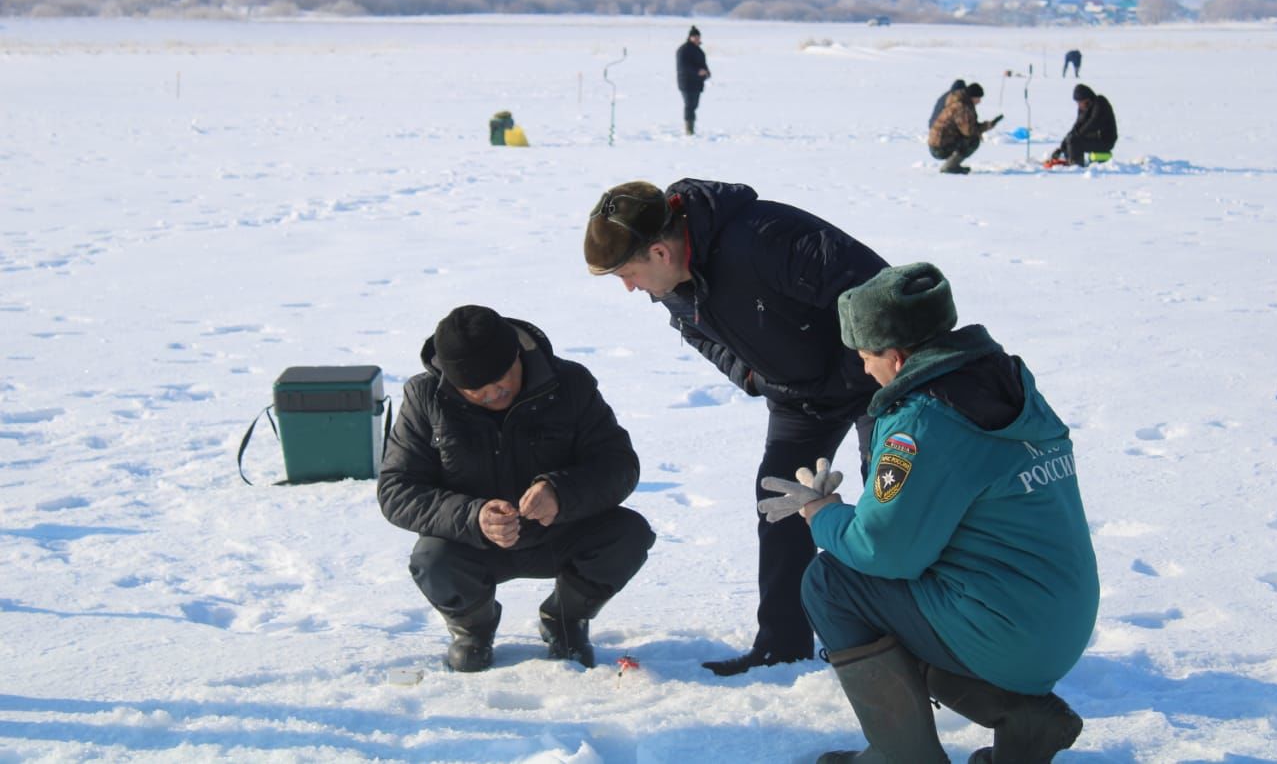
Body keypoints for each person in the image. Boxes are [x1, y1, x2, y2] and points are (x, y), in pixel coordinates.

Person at [762, 262, 1097, 763]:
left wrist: (822, 513)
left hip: (1007, 634)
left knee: (832, 582)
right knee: (912, 599)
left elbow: (883, 549)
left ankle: (905, 757)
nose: (864, 369)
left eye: (865, 356)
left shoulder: (923, 420)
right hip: (1059, 621)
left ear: (896, 358)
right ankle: (1025, 716)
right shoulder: (1006, 382)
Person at [583, 179, 889, 676]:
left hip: (875, 378)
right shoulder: (669, 277)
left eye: (628, 274)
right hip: (798, 396)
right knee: (780, 504)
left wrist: (852, 372)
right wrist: (751, 374)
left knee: (891, 504)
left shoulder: (766, 238)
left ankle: (900, 642)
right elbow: (697, 331)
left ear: (659, 251)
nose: (630, 287)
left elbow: (877, 294)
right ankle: (782, 647)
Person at [377, 305, 655, 672]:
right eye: (476, 390)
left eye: (501, 380)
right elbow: (397, 490)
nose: (492, 394)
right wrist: (473, 516)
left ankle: (566, 618)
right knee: (432, 560)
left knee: (629, 535)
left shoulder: (569, 383)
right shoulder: (425, 397)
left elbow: (619, 464)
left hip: (560, 533)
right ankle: (473, 628)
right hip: (474, 544)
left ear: (517, 356)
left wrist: (561, 493)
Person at [927, 83, 1002, 174]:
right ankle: (950, 166)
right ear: (972, 97)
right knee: (973, 141)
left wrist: (984, 126)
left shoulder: (956, 101)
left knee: (969, 139)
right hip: (940, 147)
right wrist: (986, 126)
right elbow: (969, 131)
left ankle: (952, 164)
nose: (979, 101)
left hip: (936, 143)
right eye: (978, 98)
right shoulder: (962, 107)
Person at [1051, 83, 1117, 166]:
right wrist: (1062, 147)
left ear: (1087, 99)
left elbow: (1093, 123)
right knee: (1071, 139)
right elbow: (1076, 126)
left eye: (1080, 102)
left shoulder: (1100, 103)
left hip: (1106, 141)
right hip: (1095, 137)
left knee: (1074, 140)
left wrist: (1076, 135)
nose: (1079, 104)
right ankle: (1069, 160)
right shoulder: (1085, 109)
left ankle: (1075, 166)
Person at [676, 25, 711, 135]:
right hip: (686, 82)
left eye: (698, 37)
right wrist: (697, 71)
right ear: (690, 37)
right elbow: (684, 66)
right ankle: (689, 129)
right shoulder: (684, 50)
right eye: (694, 37)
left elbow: (703, 64)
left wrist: (706, 73)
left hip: (697, 83)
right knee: (689, 105)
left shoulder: (699, 51)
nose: (696, 39)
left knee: (694, 105)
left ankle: (692, 127)